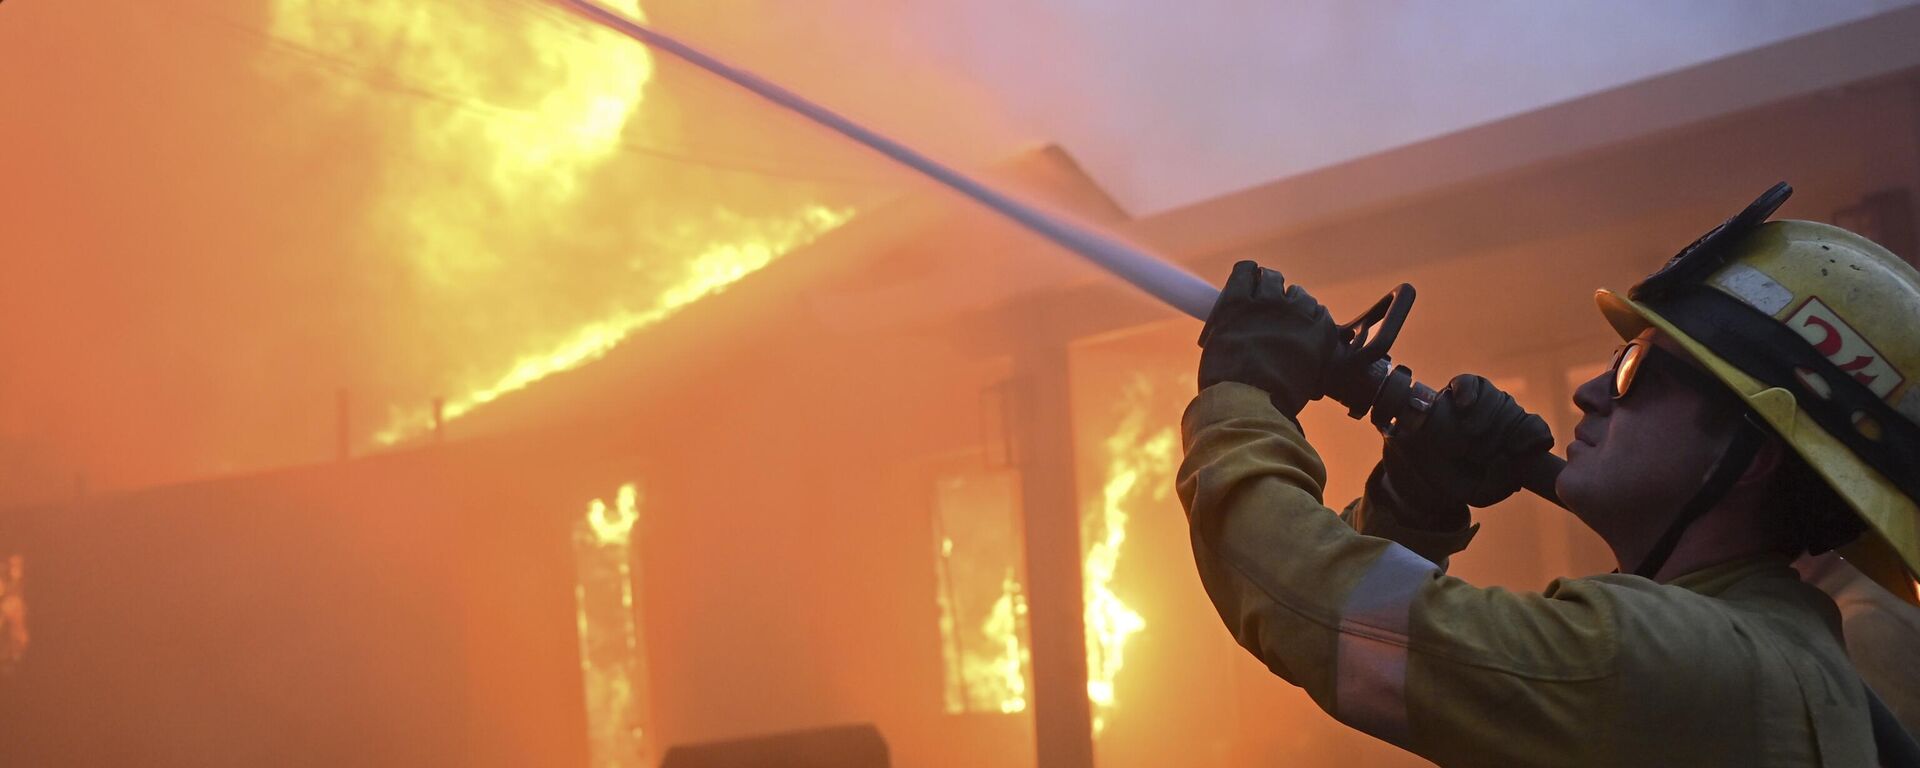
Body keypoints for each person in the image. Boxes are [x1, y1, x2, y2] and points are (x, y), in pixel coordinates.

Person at [1177, 183, 1920, 766]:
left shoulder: (1683, 665)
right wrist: (1414, 500)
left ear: (1754, 456)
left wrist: (1243, 395)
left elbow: (1325, 620)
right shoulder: (1776, 662)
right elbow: (1374, 653)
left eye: (1637, 369)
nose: (1590, 392)